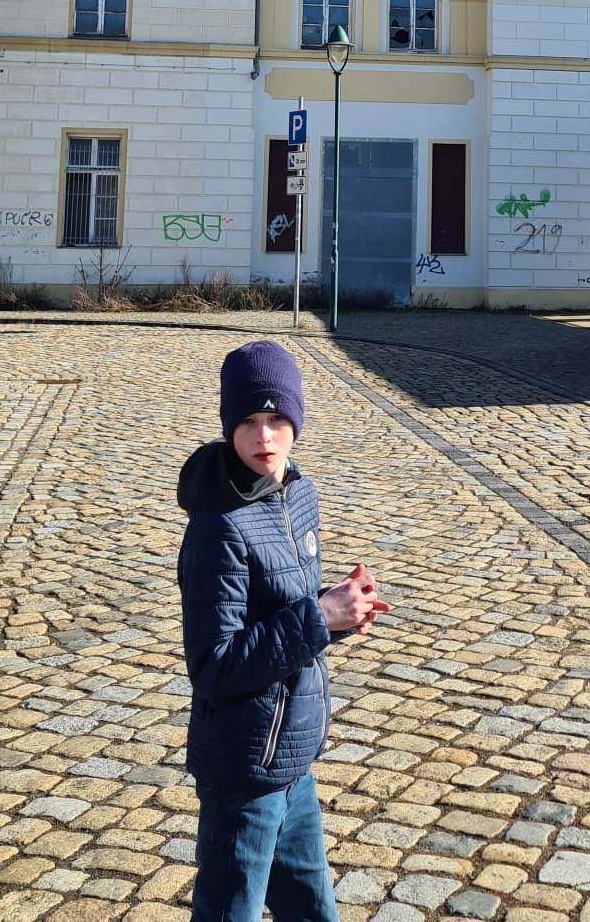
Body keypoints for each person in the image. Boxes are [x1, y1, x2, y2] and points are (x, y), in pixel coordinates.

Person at [177, 339, 389, 920]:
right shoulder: (217, 528)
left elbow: (289, 616)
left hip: (293, 756)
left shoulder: (298, 494)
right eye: (248, 421)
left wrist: (341, 613)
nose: (263, 437)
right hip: (244, 769)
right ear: (229, 426)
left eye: (276, 419)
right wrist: (319, 617)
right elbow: (215, 666)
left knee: (312, 910)